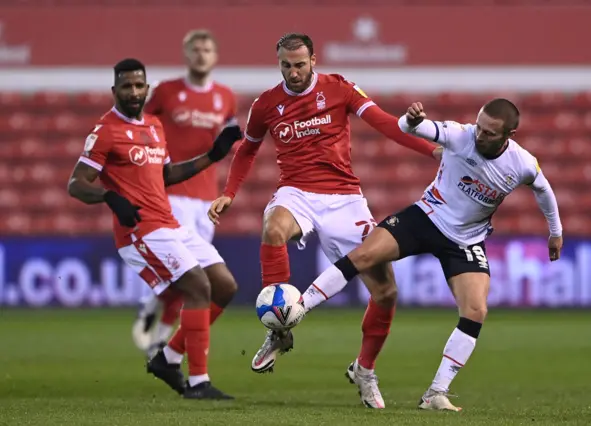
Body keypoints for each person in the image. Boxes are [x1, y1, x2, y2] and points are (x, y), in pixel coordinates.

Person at [297, 98, 563, 410]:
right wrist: (411, 120)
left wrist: (555, 231)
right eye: (479, 127)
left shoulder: (522, 164)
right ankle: (299, 309)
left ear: (510, 135)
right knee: (365, 255)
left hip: (466, 240)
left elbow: (544, 190)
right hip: (426, 217)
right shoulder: (459, 135)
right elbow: (409, 128)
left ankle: (436, 392)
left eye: (490, 133)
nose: (480, 135)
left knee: (476, 310)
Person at [207, 33, 442, 377]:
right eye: (286, 65)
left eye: (300, 64)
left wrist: (431, 148)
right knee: (273, 229)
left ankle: (364, 368)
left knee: (385, 291)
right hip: (296, 192)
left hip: (344, 198)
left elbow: (384, 123)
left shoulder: (339, 88)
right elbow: (247, 149)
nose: (294, 72)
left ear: (313, 60)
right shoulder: (266, 104)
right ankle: (278, 330)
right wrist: (229, 191)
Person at [67, 58, 242, 399]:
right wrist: (108, 197)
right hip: (140, 231)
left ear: (147, 89)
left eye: (138, 85)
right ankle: (198, 382)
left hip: (170, 223)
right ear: (114, 90)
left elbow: (166, 176)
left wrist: (213, 155)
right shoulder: (105, 131)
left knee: (225, 286)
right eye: (126, 86)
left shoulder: (154, 126)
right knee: (197, 287)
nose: (133, 92)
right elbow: (76, 183)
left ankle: (168, 358)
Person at [131, 29, 239, 358]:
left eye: (207, 49)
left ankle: (158, 334)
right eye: (196, 49)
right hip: (171, 193)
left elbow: (230, 140)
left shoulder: (225, 97)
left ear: (215, 56)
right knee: (183, 271)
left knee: (193, 275)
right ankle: (152, 314)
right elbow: (140, 125)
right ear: (186, 53)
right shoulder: (166, 92)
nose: (201, 54)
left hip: (206, 198)